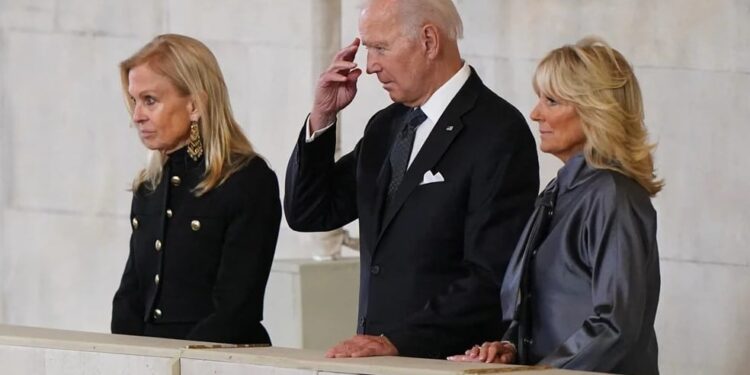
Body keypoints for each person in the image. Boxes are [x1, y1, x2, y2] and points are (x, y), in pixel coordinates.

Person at [284, 0, 539, 359]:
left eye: (380, 48)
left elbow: (489, 276)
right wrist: (322, 117)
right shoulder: (385, 128)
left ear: (429, 41)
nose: (370, 66)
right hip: (377, 362)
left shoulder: (498, 132)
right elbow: (309, 212)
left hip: (450, 362)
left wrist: (398, 341)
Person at [448, 37, 663, 375]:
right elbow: (547, 312)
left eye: (551, 101)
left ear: (595, 109)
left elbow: (616, 326)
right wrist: (510, 348)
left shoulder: (612, 195)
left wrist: (541, 372)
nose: (535, 113)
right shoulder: (558, 191)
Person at [111, 34, 281, 344]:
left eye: (150, 100)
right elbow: (130, 297)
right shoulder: (149, 186)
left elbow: (237, 308)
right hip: (155, 359)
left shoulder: (246, 180)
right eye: (134, 101)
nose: (137, 116)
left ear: (194, 105)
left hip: (220, 359)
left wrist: (180, 363)